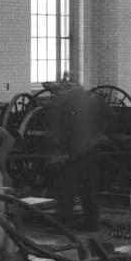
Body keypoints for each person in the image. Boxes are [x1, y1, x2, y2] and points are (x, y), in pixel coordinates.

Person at [52, 82, 107, 231]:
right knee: (88, 189)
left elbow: (63, 130)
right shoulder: (90, 100)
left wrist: (61, 152)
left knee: (66, 188)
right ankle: (91, 222)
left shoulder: (66, 103)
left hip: (75, 153)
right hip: (90, 151)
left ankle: (64, 224)